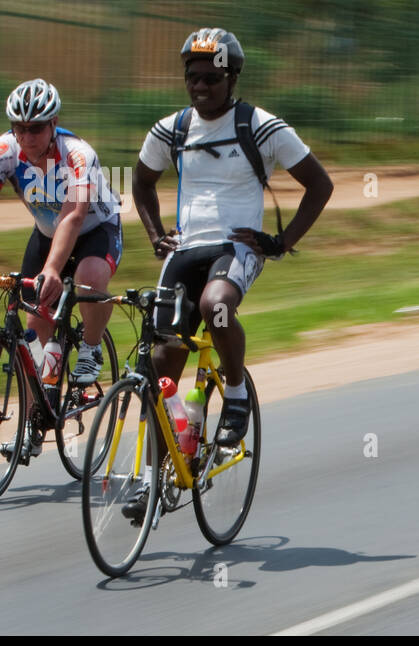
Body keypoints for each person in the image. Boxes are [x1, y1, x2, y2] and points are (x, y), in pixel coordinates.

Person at [133, 28, 333, 447]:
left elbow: (319, 185)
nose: (200, 86)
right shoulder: (172, 129)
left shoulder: (260, 127)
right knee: (162, 358)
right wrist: (156, 236)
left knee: (215, 305)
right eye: (193, 77)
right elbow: (142, 182)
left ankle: (236, 393)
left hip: (237, 247)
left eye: (212, 78)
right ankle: (155, 476)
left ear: (232, 79)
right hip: (186, 248)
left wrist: (280, 241)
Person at [0, 78, 122, 459]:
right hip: (45, 233)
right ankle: (34, 422)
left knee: (88, 279)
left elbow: (74, 216)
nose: (26, 136)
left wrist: (54, 269)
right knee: (31, 338)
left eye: (35, 127)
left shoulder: (78, 154)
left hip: (94, 230)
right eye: (18, 128)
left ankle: (91, 348)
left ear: (53, 123)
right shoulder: (2, 150)